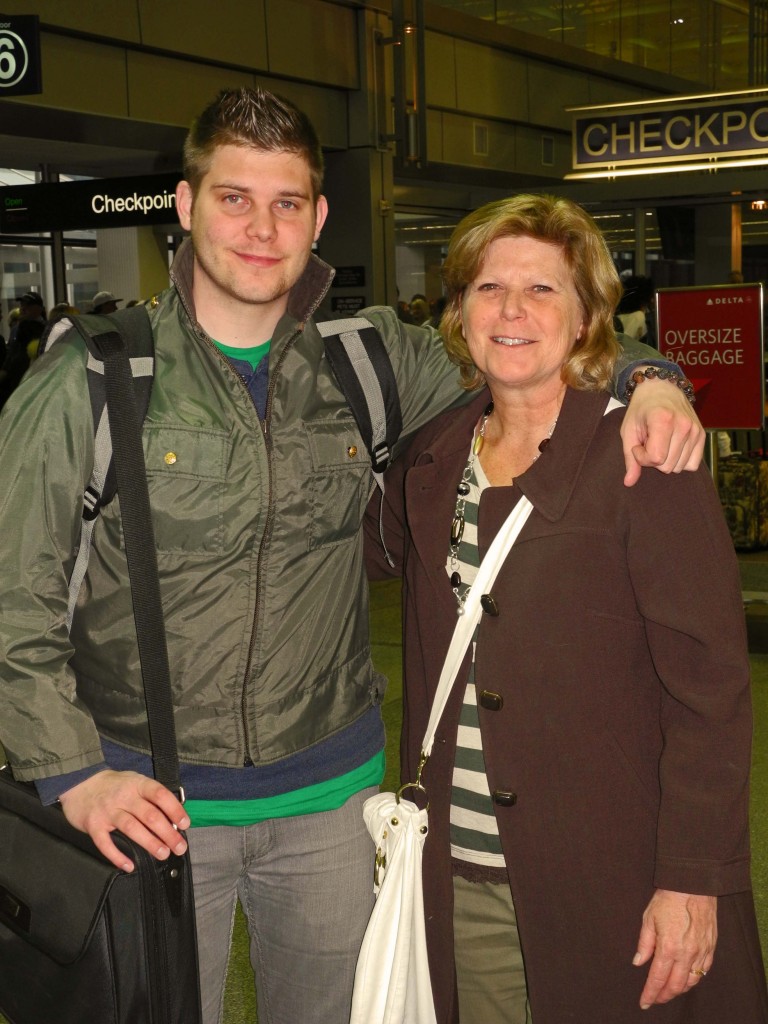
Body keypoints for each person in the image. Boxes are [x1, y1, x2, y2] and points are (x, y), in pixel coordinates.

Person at [0, 90, 704, 1024]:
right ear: (185, 204)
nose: (261, 228)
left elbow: (527, 344)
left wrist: (655, 379)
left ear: (318, 216)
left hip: (331, 810)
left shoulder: (365, 358)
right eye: (234, 198)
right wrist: (74, 774)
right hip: (150, 810)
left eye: (287, 203)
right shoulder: (91, 378)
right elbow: (15, 600)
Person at [365, 194, 768, 1024]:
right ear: (459, 312)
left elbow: (711, 691)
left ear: (586, 317)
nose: (511, 309)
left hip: (613, 878)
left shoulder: (641, 460)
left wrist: (695, 875)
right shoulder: (432, 463)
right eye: (487, 288)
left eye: (542, 290)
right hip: (463, 877)